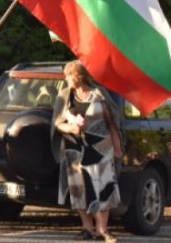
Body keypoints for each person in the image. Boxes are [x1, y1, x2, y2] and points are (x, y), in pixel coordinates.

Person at [51, 61, 123, 243]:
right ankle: (87, 229)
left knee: (104, 188)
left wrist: (117, 148)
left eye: (69, 76)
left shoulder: (99, 94)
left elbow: (112, 122)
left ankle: (103, 230)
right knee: (79, 189)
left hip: (101, 149)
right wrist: (70, 128)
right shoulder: (65, 96)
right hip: (74, 150)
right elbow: (57, 124)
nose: (66, 79)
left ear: (79, 76)